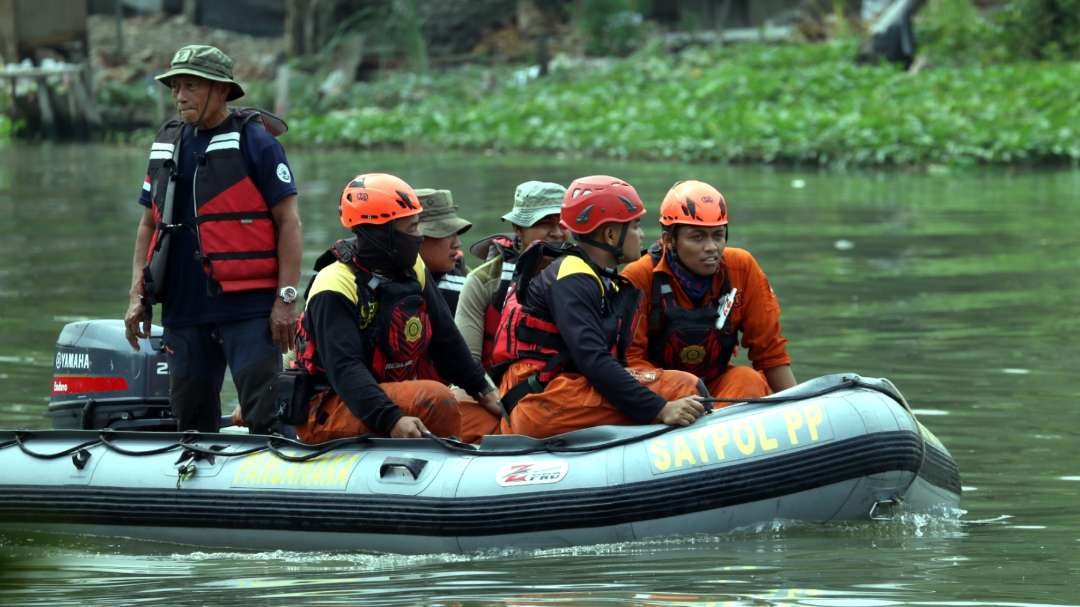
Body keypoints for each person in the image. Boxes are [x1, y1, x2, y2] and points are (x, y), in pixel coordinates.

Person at [123, 45, 301, 434]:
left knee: (266, 417)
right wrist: (138, 294)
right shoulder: (167, 143)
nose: (180, 96)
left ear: (221, 90)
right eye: (175, 87)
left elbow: (289, 222)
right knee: (191, 420)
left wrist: (286, 298)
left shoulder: (257, 143)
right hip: (184, 310)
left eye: (191, 86)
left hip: (249, 309)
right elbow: (147, 225)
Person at [490, 175, 706, 438]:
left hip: (561, 389)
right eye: (635, 226)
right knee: (684, 388)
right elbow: (592, 360)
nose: (641, 235)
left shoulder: (597, 277)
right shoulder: (573, 276)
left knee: (684, 384)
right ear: (612, 234)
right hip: (541, 400)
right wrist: (659, 409)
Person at [292, 173, 502, 443]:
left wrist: (483, 390)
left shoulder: (413, 268)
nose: (418, 236)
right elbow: (345, 369)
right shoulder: (334, 284)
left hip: (385, 394)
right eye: (412, 228)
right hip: (330, 404)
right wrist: (391, 419)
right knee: (435, 397)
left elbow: (446, 340)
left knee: (489, 418)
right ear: (382, 233)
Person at [621, 180, 796, 401]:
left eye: (718, 235)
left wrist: (801, 406)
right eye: (697, 237)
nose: (711, 247)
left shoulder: (742, 268)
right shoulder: (639, 276)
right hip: (660, 389)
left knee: (748, 379)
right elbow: (630, 361)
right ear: (669, 240)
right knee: (684, 385)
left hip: (717, 385)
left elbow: (771, 352)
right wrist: (670, 399)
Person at [455, 181, 567, 378]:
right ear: (518, 228)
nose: (558, 233)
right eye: (544, 223)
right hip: (498, 392)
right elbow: (468, 363)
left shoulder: (586, 275)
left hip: (567, 386)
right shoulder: (483, 282)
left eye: (563, 224)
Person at [415, 189, 471, 315]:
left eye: (456, 233)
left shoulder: (464, 287)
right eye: (445, 233)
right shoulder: (375, 284)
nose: (457, 244)